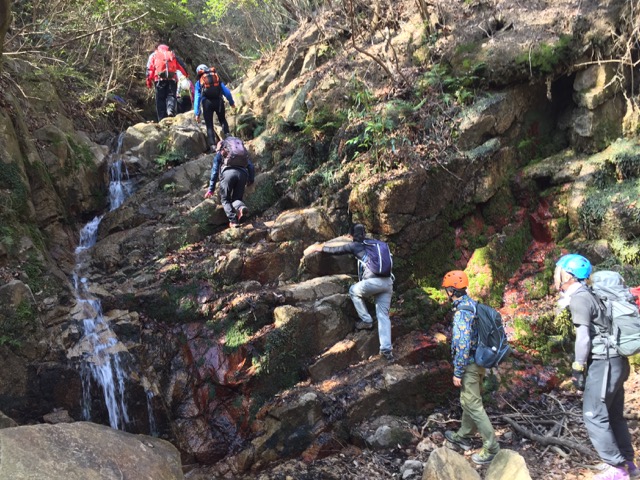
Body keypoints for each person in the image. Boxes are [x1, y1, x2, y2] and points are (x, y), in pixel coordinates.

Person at [554, 254, 637, 480]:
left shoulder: (580, 298)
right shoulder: (591, 293)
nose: (556, 276)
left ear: (569, 276)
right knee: (613, 415)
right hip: (617, 362)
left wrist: (578, 367)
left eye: (559, 272)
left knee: (593, 414)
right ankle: (628, 462)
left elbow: (583, 338)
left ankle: (617, 468)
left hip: (604, 364)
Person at [307, 224, 395, 361]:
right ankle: (387, 350)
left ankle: (366, 320)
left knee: (353, 290)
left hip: (374, 283)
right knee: (383, 315)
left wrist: (317, 247)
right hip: (388, 282)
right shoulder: (378, 244)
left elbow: (336, 250)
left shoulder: (355, 245)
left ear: (351, 236)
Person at [441, 270, 500, 465]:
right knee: (469, 400)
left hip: (470, 365)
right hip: (480, 361)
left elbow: (462, 344)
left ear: (451, 291)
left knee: (473, 405)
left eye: (446, 290)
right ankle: (464, 435)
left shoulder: (461, 313)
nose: (445, 294)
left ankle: (492, 448)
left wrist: (458, 371)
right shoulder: (473, 305)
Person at [204, 137, 255, 228]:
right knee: (236, 199)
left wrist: (211, 189)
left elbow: (215, 171)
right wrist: (251, 179)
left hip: (228, 174)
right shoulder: (240, 153)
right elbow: (250, 166)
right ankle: (240, 207)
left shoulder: (221, 152)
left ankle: (233, 221)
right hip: (242, 175)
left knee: (225, 199)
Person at [194, 64, 235, 151]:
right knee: (222, 119)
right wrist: (231, 102)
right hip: (219, 101)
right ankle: (228, 137)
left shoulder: (199, 83)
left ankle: (213, 146)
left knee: (209, 125)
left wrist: (197, 113)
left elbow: (197, 98)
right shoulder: (216, 78)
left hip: (207, 103)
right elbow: (227, 92)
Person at [146, 44, 189, 121]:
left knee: (160, 99)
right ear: (167, 49)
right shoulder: (172, 54)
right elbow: (182, 66)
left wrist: (148, 81)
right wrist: (186, 75)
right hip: (172, 79)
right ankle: (170, 110)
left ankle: (162, 118)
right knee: (171, 95)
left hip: (159, 80)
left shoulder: (154, 55)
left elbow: (150, 69)